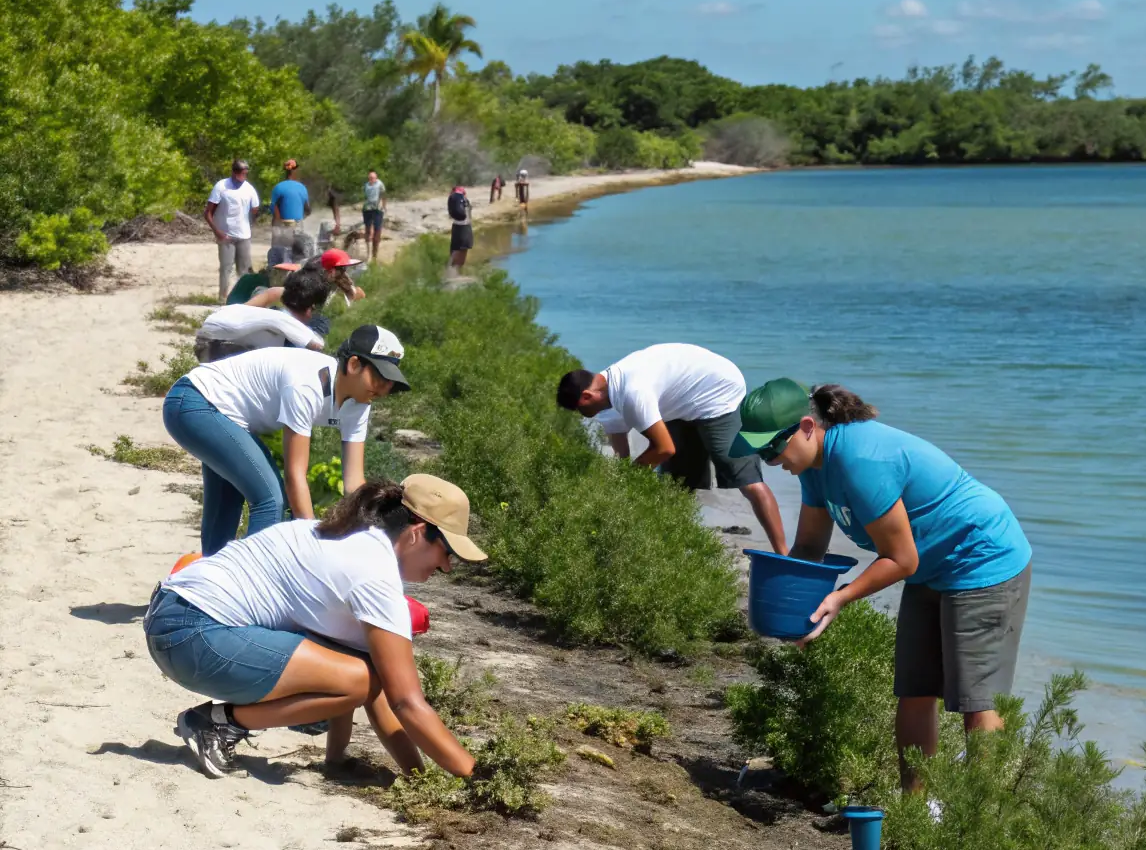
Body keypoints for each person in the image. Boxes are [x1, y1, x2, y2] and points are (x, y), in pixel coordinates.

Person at [733, 380, 1032, 792]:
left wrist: (840, 598)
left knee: (974, 699)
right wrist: (795, 610)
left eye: (772, 449)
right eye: (761, 453)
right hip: (928, 567)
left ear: (806, 426)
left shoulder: (860, 459)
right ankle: (917, 814)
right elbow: (808, 546)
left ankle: (980, 822)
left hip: (981, 558)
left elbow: (901, 559)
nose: (769, 461)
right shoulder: (814, 467)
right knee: (914, 689)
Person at [144, 474, 486, 780]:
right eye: (447, 551)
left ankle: (222, 722)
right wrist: (475, 776)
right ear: (415, 534)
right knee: (358, 679)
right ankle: (218, 724)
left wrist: (408, 775)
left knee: (357, 674)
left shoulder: (351, 536)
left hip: (171, 618)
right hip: (193, 636)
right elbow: (406, 703)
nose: (447, 567)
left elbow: (374, 693)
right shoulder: (374, 574)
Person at [162, 324, 410, 557]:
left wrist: (369, 534)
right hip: (194, 402)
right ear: (354, 364)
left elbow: (354, 483)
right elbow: (295, 476)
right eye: (380, 377)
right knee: (270, 499)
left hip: (215, 413)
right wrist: (314, 542)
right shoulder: (308, 383)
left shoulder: (360, 403)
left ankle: (210, 583)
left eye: (390, 383)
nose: (384, 389)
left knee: (229, 498)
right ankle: (252, 587)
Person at [556, 343, 787, 555]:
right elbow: (622, 456)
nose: (581, 416)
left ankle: (783, 554)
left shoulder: (632, 392)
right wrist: (621, 483)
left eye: (579, 410)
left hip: (718, 390)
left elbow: (664, 448)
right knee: (675, 482)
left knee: (744, 478)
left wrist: (632, 475)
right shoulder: (605, 398)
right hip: (680, 401)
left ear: (586, 396)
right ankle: (668, 550)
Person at [193, 268, 330, 362]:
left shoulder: (271, 314)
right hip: (215, 344)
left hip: (208, 335)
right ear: (309, 309)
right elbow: (318, 346)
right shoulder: (283, 319)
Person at [205, 159, 260, 302]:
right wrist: (217, 231)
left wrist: (249, 224)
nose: (244, 177)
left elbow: (255, 209)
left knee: (244, 271)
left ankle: (242, 299)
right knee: (226, 268)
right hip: (225, 235)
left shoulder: (249, 189)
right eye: (242, 174)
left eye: (246, 174)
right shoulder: (221, 187)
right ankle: (222, 299)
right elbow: (208, 213)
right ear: (234, 172)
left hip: (244, 236)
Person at [270, 159, 313, 262]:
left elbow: (273, 209)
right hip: (296, 226)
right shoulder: (302, 188)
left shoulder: (278, 188)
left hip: (280, 227)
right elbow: (307, 210)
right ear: (294, 171)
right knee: (297, 257)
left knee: (278, 258)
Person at [448, 185, 474, 276]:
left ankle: (451, 270)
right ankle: (455, 274)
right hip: (464, 227)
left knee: (455, 249)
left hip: (456, 226)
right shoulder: (464, 200)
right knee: (462, 250)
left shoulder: (452, 198)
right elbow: (467, 215)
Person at [362, 170, 387, 262]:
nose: (371, 179)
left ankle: (374, 256)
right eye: (370, 178)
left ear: (376, 178)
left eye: (373, 178)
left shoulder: (380, 184)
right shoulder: (366, 185)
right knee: (368, 230)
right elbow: (365, 196)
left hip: (378, 209)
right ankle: (368, 255)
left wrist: (384, 206)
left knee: (377, 231)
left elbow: (384, 195)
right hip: (368, 209)